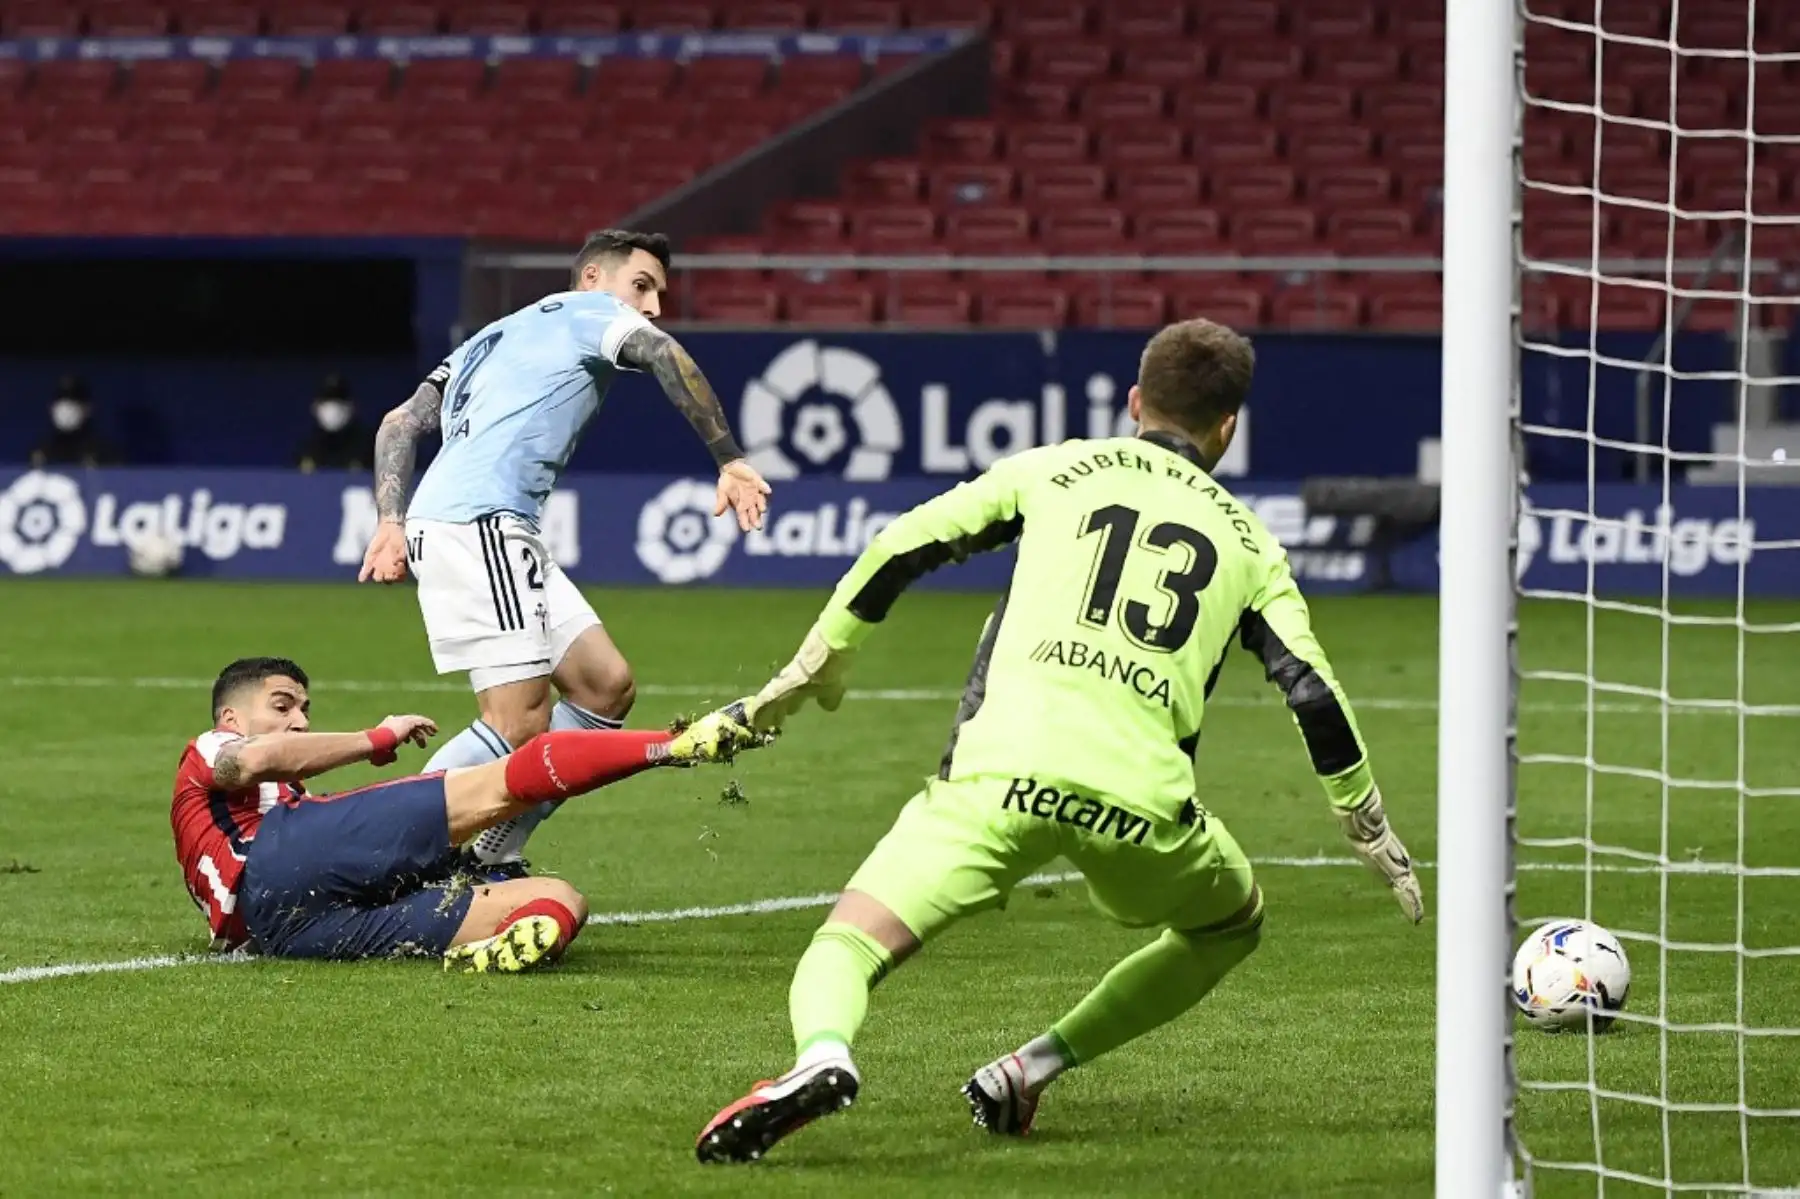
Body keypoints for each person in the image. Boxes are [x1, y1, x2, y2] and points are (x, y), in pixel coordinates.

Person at [694, 319, 1426, 1163]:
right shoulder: (1252, 542)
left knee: (851, 941)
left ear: (1134, 402)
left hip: (996, 777)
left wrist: (817, 663)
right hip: (1141, 806)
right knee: (1231, 923)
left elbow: (900, 544)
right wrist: (1362, 815)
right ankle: (1028, 1067)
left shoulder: (1056, 467)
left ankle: (821, 1055)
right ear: (1230, 427)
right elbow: (1313, 692)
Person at [357, 229, 772, 880]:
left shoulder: (491, 336)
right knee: (518, 722)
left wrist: (390, 519)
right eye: (642, 285)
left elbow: (398, 422)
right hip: (482, 522)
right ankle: (381, 857)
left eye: (660, 292)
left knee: (605, 687)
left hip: (482, 522)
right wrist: (731, 459)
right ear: (592, 280)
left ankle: (494, 852)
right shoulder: (592, 313)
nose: (653, 304)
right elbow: (666, 356)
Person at [172, 656, 761, 971]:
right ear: (229, 718)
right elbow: (256, 760)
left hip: (286, 934)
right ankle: (676, 744)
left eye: (303, 707)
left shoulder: (282, 799)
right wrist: (374, 738)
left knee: (557, 898)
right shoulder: (211, 748)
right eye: (282, 705)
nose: (299, 719)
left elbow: (278, 761)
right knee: (498, 786)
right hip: (274, 868)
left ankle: (517, 937)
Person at [30, 375, 119, 468]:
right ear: (51, 408)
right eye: (61, 401)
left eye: (73, 402)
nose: (66, 408)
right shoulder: (41, 452)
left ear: (88, 409)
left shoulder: (103, 452)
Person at [296, 374, 369, 472]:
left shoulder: (366, 447)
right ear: (315, 407)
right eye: (326, 400)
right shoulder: (306, 448)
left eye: (339, 400)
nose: (333, 407)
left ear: (352, 407)